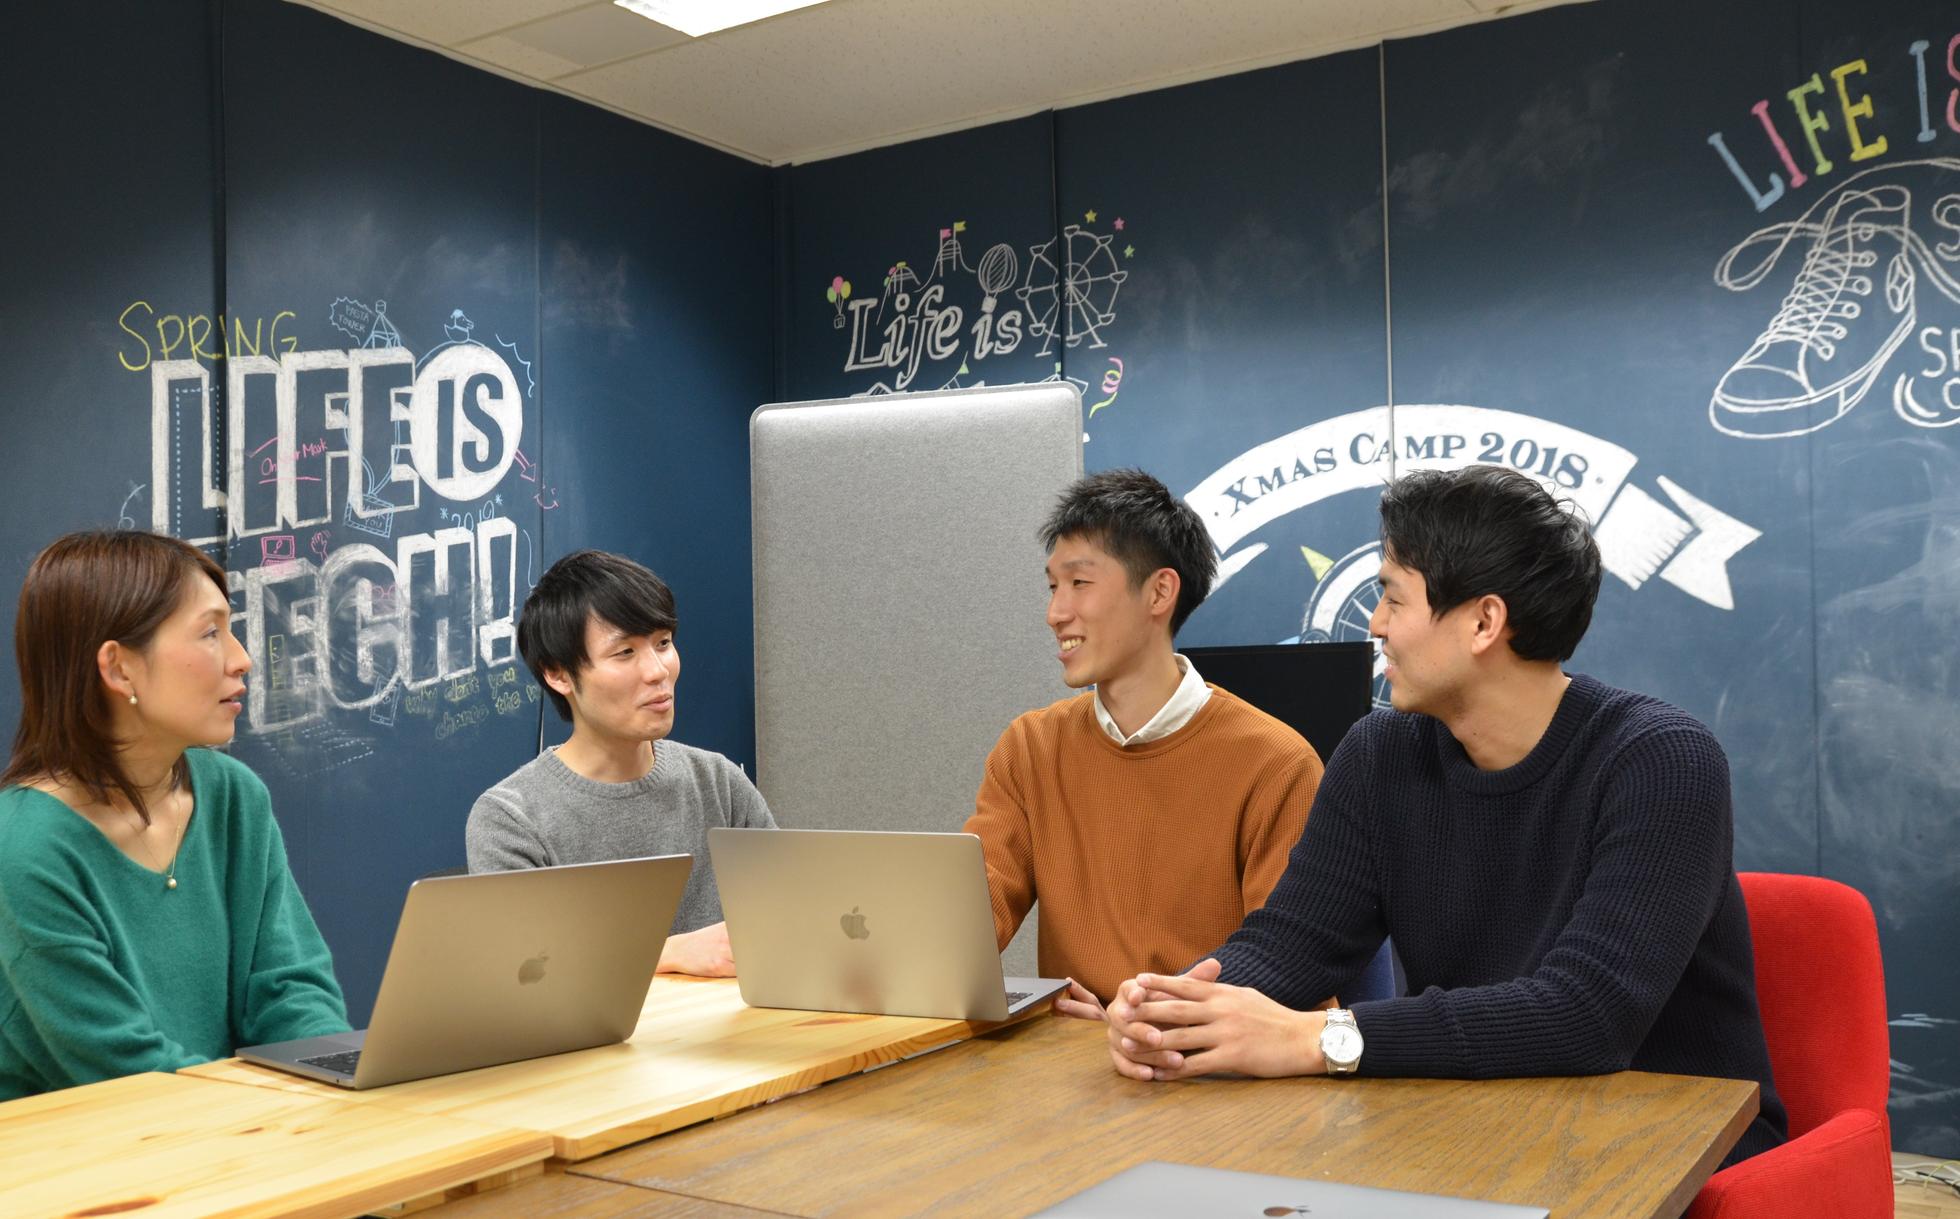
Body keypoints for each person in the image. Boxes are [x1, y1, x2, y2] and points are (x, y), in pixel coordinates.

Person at [1104, 465, 1788, 1168]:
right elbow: (1292, 943)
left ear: (1484, 622)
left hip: (1675, 1149)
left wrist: (1318, 1038)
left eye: (1393, 597)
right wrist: (1172, 1009)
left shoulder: (1662, 760)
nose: (1375, 625)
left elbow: (1589, 1015)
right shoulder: (1380, 753)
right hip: (1485, 1124)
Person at [962, 469, 1325, 1019]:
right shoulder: (1031, 747)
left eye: (1079, 583)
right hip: (1069, 1058)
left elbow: (1287, 975)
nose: (1055, 613)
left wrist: (1139, 1018)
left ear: (1159, 592)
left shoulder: (1276, 764)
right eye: (1053, 587)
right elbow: (970, 919)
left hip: (1203, 1055)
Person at [0, 531, 349, 1099]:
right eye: (210, 633)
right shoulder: (24, 848)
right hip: (94, 1147)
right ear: (119, 669)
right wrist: (282, 1114)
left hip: (239, 1127)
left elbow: (290, 989)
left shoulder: (232, 794)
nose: (242, 659)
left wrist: (336, 1080)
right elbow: (125, 1068)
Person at [466, 550, 775, 978]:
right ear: (558, 674)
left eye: (663, 643)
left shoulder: (718, 781)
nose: (657, 671)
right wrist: (667, 952)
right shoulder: (510, 818)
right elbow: (523, 971)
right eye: (625, 652)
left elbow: (790, 918)